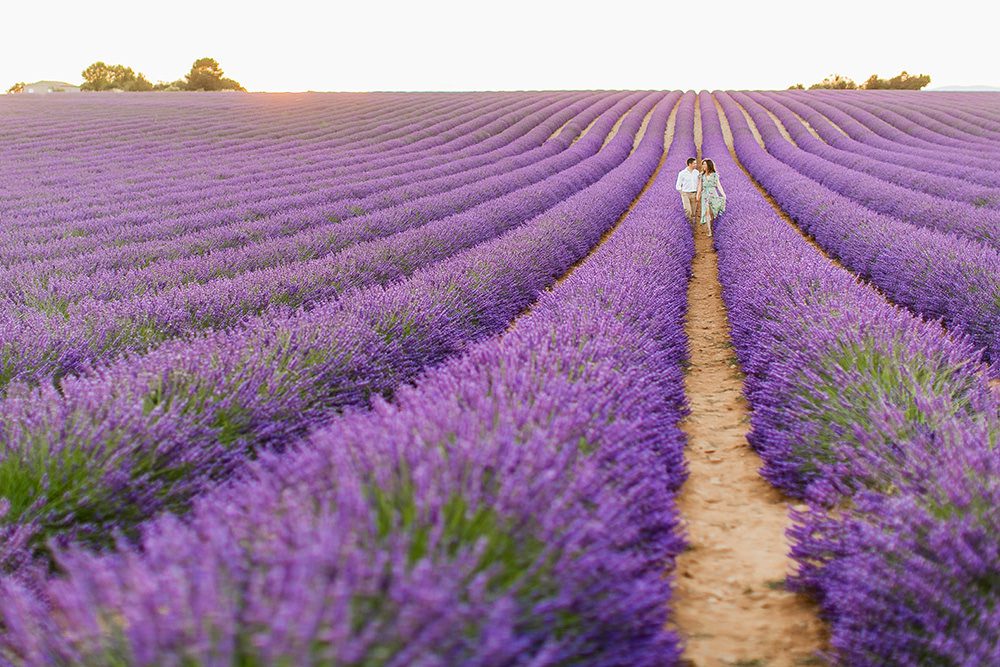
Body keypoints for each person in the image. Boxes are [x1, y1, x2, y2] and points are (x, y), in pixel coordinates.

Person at [697, 158, 726, 237]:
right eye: (703, 164)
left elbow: (718, 185)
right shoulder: (701, 175)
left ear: (709, 165)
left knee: (714, 212)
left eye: (705, 164)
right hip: (705, 195)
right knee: (707, 212)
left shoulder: (714, 175)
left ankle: (715, 227)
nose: (703, 166)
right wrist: (698, 195)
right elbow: (700, 186)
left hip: (713, 193)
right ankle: (709, 230)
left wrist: (723, 194)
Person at [675, 157, 700, 223]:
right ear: (690, 164)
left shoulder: (697, 172)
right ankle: (689, 224)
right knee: (688, 211)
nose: (696, 164)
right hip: (685, 194)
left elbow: (699, 183)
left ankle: (692, 226)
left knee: (693, 212)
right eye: (694, 163)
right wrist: (682, 192)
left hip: (694, 193)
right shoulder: (682, 173)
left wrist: (698, 193)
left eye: (696, 163)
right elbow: (678, 185)